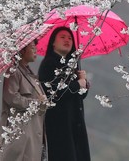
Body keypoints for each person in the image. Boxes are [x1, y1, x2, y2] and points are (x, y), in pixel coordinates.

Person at [38, 26, 91, 161]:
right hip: (59, 125)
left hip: (75, 123)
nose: (67, 40)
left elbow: (80, 95)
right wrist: (78, 84)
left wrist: (83, 81)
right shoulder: (48, 64)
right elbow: (52, 92)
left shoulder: (72, 65)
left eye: (69, 38)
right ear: (53, 43)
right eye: (62, 37)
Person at [0, 40, 48, 161]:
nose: (35, 50)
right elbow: (12, 98)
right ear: (22, 50)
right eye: (32, 47)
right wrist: (36, 102)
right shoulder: (13, 72)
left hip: (33, 135)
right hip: (20, 136)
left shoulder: (29, 74)